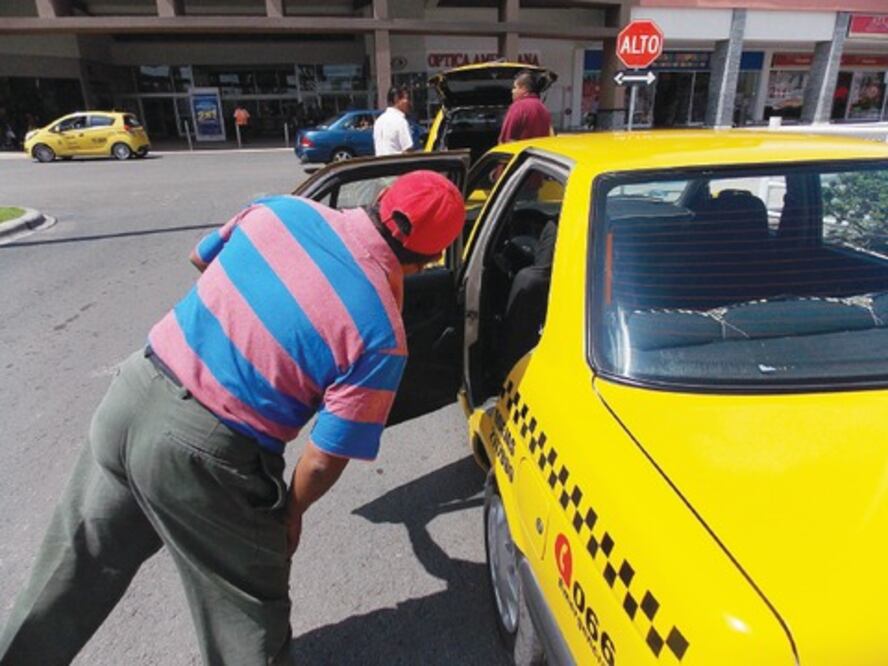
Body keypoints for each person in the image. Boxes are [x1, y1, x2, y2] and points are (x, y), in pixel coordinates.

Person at [0, 170, 466, 666]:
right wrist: (292, 513)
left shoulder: (281, 211)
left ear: (378, 196)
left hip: (131, 394)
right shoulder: (380, 332)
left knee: (74, 567)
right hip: (208, 455)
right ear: (431, 258)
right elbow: (323, 459)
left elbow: (202, 258)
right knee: (246, 622)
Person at [498, 69, 552, 144]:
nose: (512, 91)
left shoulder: (518, 107)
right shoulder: (543, 108)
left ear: (524, 89)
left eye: (515, 87)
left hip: (521, 153)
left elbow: (505, 140)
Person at [373, 85, 414, 156]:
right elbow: (408, 150)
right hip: (396, 164)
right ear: (396, 99)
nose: (409, 103)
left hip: (379, 164)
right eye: (406, 98)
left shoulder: (379, 121)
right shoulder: (400, 121)